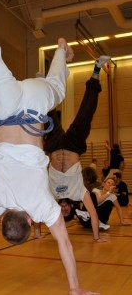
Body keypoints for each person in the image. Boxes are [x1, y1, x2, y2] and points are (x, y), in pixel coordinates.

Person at [0, 0, 100, 295]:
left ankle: (63, 53)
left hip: (36, 104)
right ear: (1, 218)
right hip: (7, 104)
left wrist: (76, 290)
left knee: (57, 89)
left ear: (28, 219)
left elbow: (64, 242)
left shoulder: (39, 204)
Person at [44, 53, 111, 240]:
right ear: (71, 209)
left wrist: (36, 232)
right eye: (67, 211)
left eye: (62, 210)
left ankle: (47, 86)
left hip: (54, 146)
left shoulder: (50, 195)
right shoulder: (80, 192)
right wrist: (96, 238)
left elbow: (38, 214)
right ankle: (96, 70)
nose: (64, 208)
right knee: (86, 112)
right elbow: (94, 213)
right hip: (74, 145)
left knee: (48, 114)